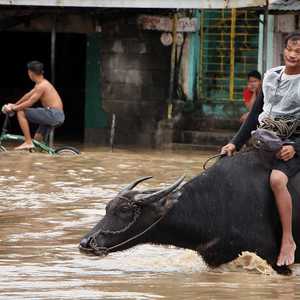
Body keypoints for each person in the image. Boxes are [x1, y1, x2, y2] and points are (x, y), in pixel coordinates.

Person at [221, 32, 300, 267]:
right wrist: (234, 143)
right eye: (290, 50)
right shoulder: (270, 76)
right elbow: (254, 115)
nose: (293, 55)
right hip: (262, 140)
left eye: (299, 52)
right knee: (228, 170)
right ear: (284, 50)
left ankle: (288, 239)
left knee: (277, 180)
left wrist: (295, 147)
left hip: (291, 144)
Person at [3, 61, 64, 150]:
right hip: (57, 115)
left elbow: (30, 102)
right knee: (38, 141)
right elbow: (28, 95)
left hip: (53, 114)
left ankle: (28, 142)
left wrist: (15, 108)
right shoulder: (41, 83)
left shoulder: (42, 86)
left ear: (30, 73)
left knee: (21, 112)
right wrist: (14, 104)